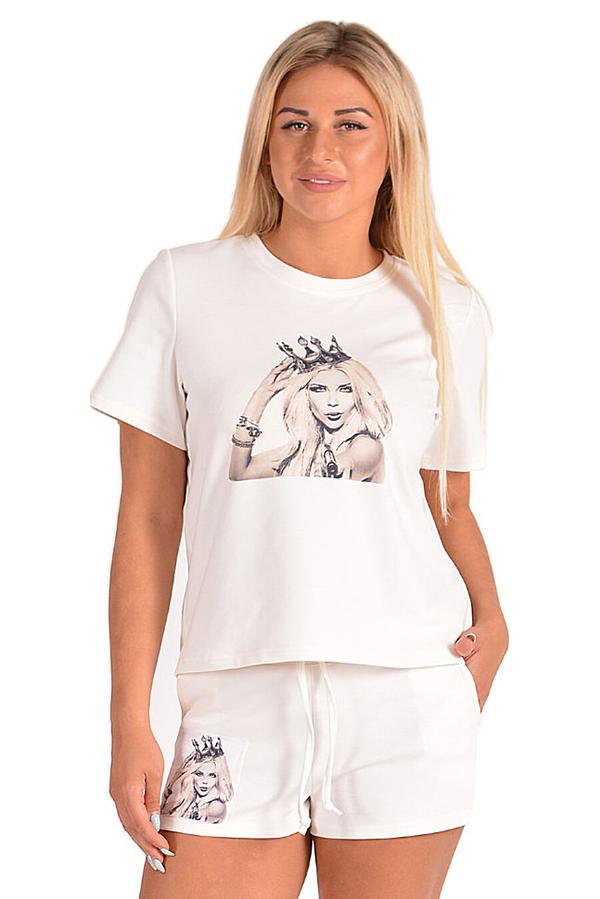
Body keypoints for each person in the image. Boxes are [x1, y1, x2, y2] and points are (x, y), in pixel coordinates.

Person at [89, 19, 509, 899]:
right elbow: (148, 517)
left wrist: (495, 619)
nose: (321, 148)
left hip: (405, 700)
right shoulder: (185, 286)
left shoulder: (448, 311)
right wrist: (130, 717)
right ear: (264, 141)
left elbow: (450, 504)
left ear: (395, 145)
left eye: (352, 124)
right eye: (295, 122)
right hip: (236, 696)